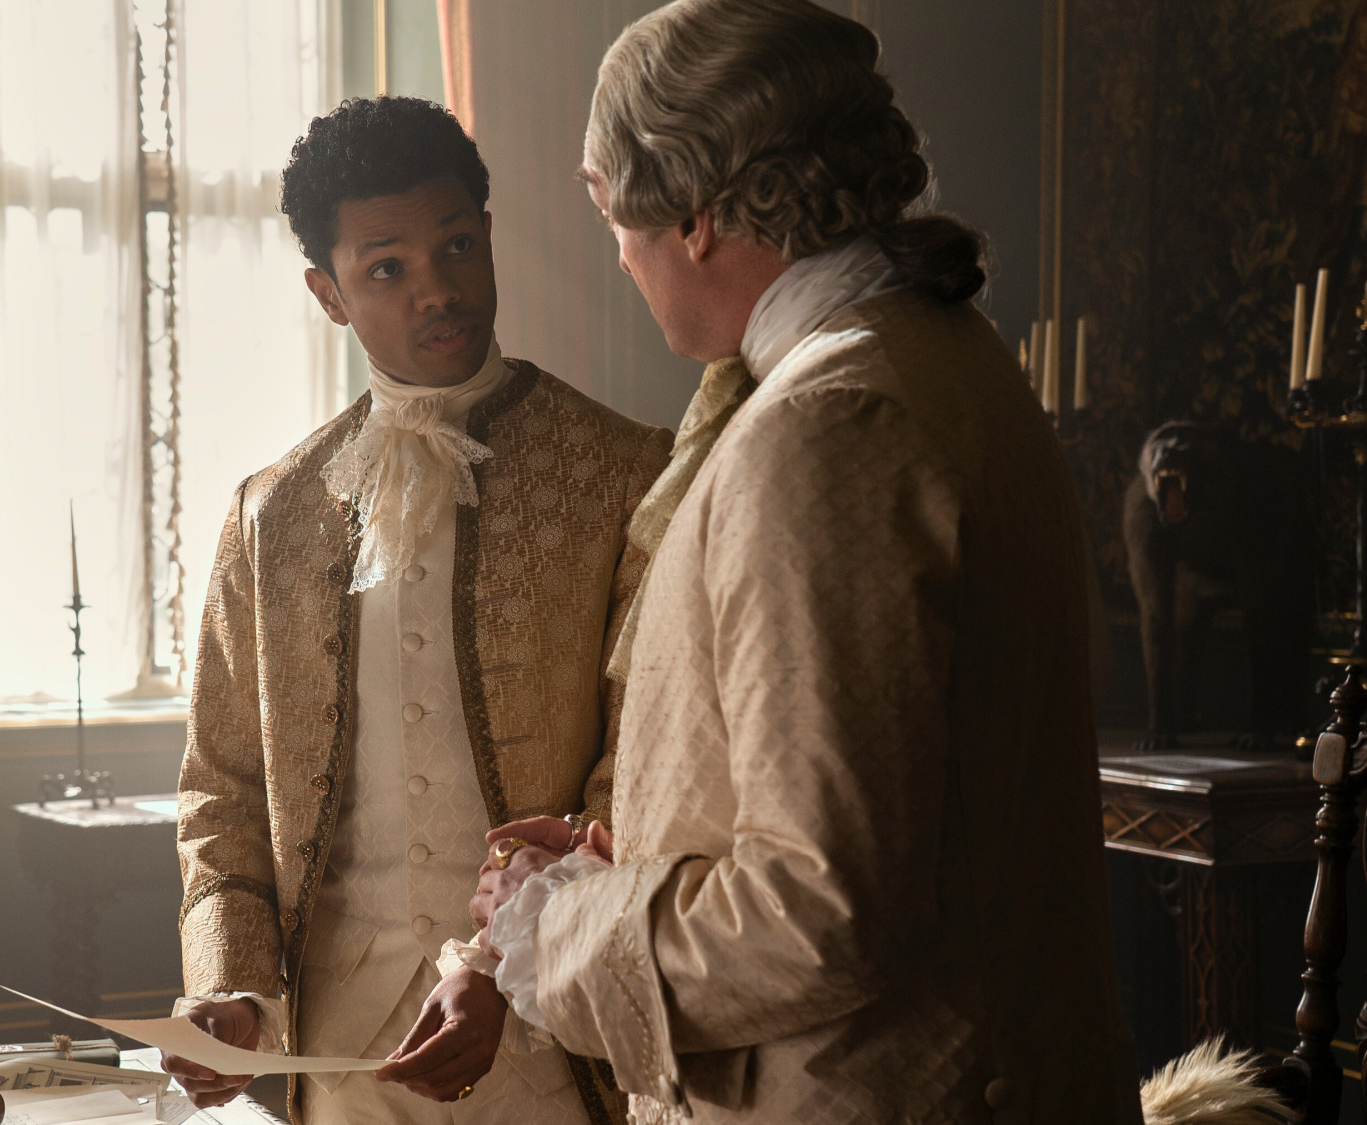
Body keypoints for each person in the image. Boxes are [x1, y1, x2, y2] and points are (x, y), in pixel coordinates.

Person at [467, 2, 1145, 1122]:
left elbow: (821, 909)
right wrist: (630, 856)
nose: (620, 259)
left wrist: (557, 926)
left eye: (608, 211)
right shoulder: (944, 358)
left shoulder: (825, 426)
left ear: (690, 213)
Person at [167, 96, 669, 1125]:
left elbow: (645, 766)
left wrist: (500, 962)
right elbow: (221, 790)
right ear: (328, 293)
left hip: (550, 1028)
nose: (437, 290)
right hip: (338, 1056)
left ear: (487, 238)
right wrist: (230, 989)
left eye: (455, 247)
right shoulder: (272, 512)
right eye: (386, 267)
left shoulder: (622, 474)